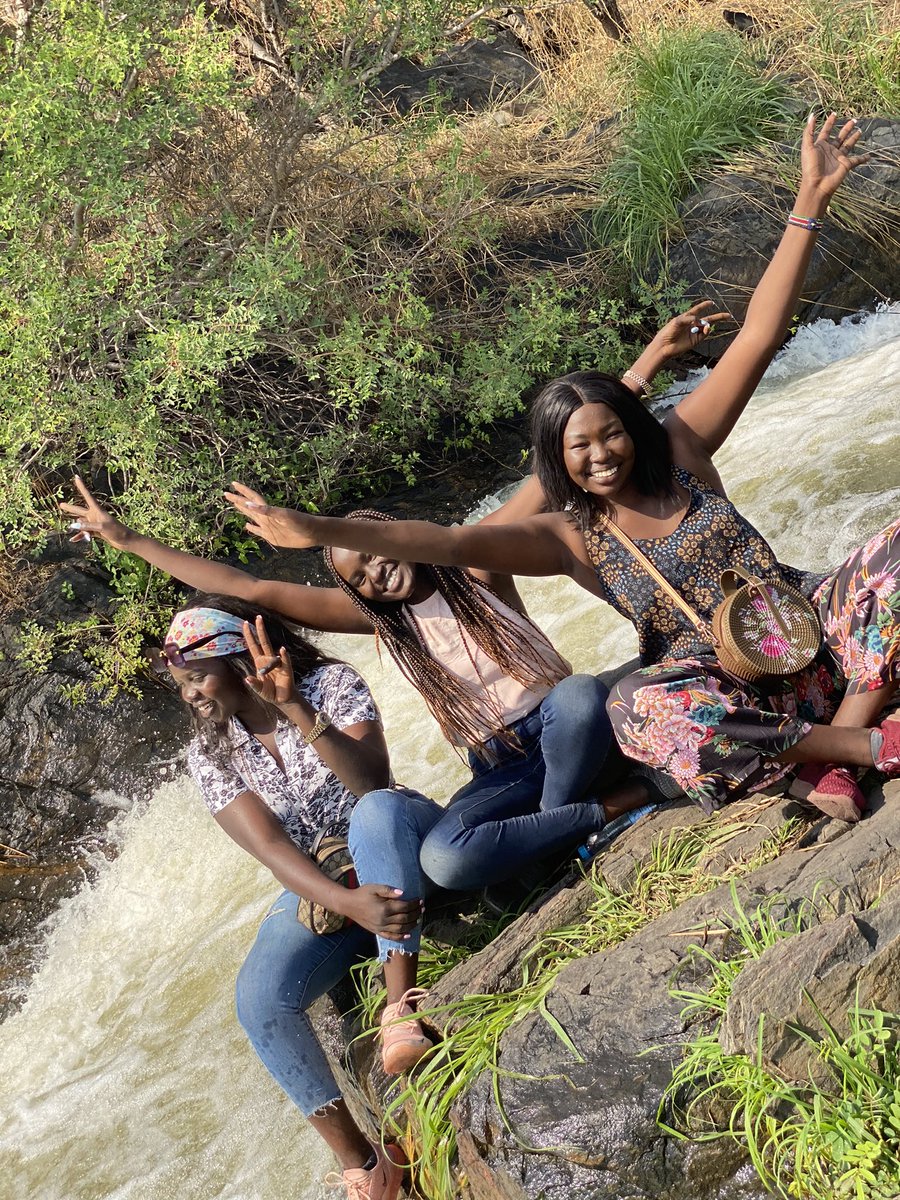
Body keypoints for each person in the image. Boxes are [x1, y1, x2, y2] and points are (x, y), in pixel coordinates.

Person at [221, 114, 900, 825]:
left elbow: (759, 337)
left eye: (610, 436)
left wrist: (808, 205)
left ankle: (843, 751)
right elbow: (448, 546)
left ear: (631, 430)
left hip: (806, 634)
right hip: (733, 693)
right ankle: (858, 745)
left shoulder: (681, 448)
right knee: (638, 707)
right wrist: (313, 528)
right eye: (579, 448)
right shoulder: (569, 537)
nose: (601, 456)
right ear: (558, 461)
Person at [64, 327, 707, 896]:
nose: (376, 572)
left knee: (577, 697)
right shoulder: (377, 622)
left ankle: (548, 837)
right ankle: (609, 809)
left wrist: (643, 366)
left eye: (374, 553)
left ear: (393, 535)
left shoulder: (474, 560)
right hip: (500, 764)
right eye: (359, 577)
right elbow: (250, 589)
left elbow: (552, 466)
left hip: (568, 730)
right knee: (444, 858)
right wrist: (128, 540)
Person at [140, 595, 443, 1200]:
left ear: (239, 659)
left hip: (393, 846)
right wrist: (347, 902)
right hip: (327, 888)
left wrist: (297, 710)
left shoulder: (331, 684)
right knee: (258, 1002)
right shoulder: (209, 750)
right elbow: (272, 849)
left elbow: (371, 784)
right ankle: (367, 1165)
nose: (190, 695)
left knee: (379, 812)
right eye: (181, 683)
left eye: (197, 677)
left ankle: (399, 1010)